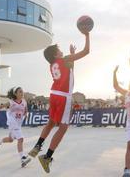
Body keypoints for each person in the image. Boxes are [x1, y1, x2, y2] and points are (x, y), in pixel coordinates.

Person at [28, 31, 90, 173]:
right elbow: (86, 51)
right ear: (56, 54)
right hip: (63, 97)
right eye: (59, 50)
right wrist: (87, 34)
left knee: (51, 123)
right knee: (63, 127)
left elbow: (70, 70)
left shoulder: (53, 64)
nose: (62, 52)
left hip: (53, 94)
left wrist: (71, 55)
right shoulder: (65, 59)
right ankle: (47, 157)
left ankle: (38, 145)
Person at [0, 87, 31, 167]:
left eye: (22, 92)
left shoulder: (24, 102)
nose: (22, 93)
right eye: (20, 92)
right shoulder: (11, 102)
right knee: (20, 139)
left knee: (10, 139)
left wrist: (26, 115)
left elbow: (26, 110)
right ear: (15, 94)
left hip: (18, 124)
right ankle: (22, 158)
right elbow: (0, 107)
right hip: (12, 123)